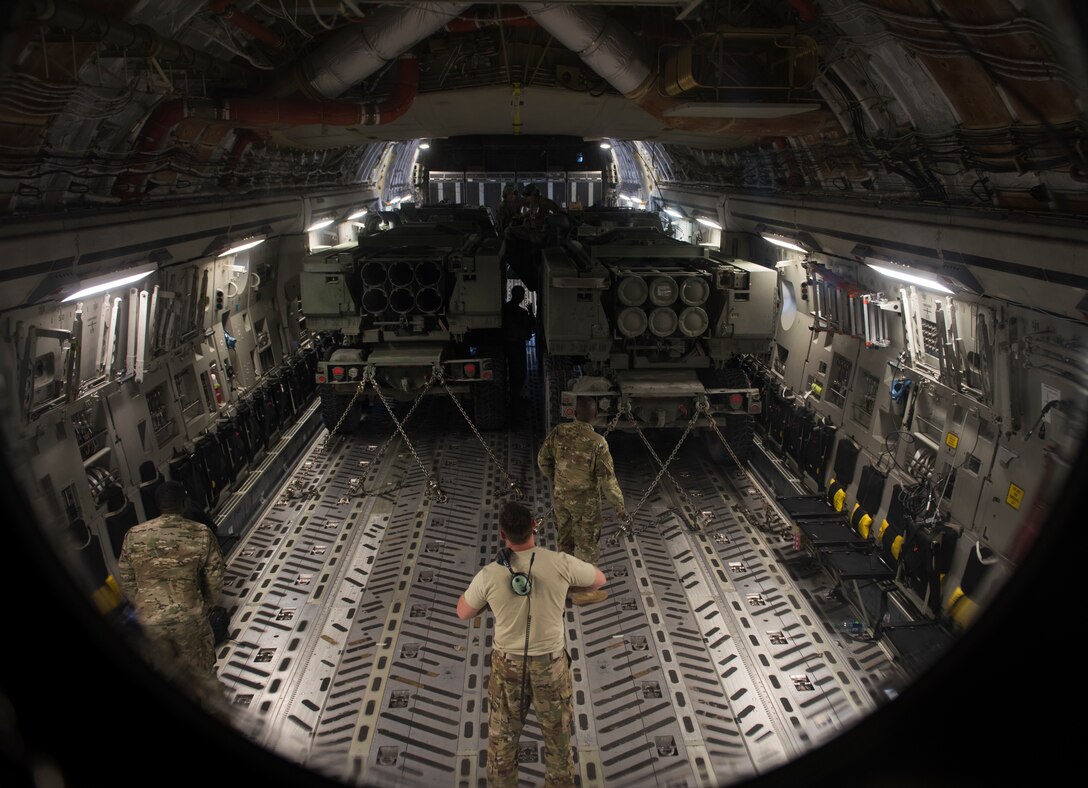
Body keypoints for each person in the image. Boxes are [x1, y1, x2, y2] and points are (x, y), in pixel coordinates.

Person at [456, 501, 606, 788]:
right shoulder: (560, 563)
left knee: (502, 743)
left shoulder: (490, 575)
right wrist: (565, 588)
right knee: (558, 742)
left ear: (503, 534)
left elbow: (463, 612)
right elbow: (598, 581)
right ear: (534, 527)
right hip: (550, 666)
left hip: (507, 667)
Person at [116, 479, 226, 711]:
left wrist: (143, 606)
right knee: (203, 677)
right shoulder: (200, 533)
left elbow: (125, 578)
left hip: (149, 625)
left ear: (158, 506)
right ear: (183, 504)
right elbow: (215, 577)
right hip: (190, 620)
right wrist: (204, 606)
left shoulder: (133, 535)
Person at [537, 396, 626, 602]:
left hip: (561, 498)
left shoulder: (559, 432)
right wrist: (619, 506)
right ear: (595, 416)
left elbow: (543, 460)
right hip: (587, 504)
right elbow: (607, 480)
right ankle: (584, 592)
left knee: (565, 540)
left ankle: (565, 585)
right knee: (587, 545)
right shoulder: (598, 443)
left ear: (574, 413)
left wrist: (558, 480)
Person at [502, 285, 535, 409]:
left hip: (506, 344)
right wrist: (531, 311)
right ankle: (515, 400)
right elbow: (532, 324)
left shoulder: (504, 309)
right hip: (517, 345)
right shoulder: (521, 312)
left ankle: (512, 398)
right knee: (519, 373)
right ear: (520, 296)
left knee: (511, 371)